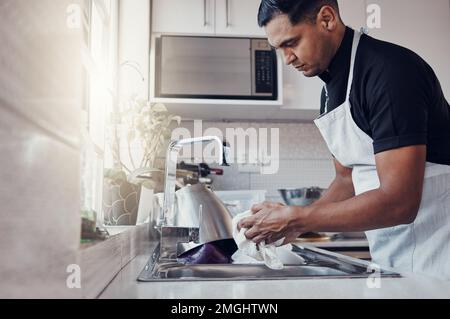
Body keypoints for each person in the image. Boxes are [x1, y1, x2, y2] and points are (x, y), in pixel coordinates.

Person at [239, 0, 450, 280]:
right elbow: (346, 179)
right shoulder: (329, 92)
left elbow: (400, 202)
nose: (286, 59)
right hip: (396, 261)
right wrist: (295, 224)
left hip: (440, 261)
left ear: (326, 19)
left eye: (292, 42)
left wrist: (296, 216)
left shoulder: (391, 73)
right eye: (279, 49)